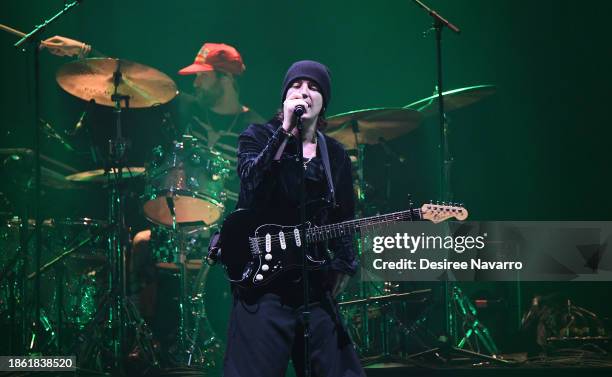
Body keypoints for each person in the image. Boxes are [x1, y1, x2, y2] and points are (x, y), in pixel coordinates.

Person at [224, 60, 365, 377]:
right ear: (285, 96)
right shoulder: (257, 136)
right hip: (263, 285)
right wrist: (285, 132)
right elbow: (251, 182)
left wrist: (344, 264)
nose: (304, 92)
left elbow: (343, 215)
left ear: (323, 102)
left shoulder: (335, 154)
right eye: (296, 86)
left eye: (313, 88)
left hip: (313, 284)